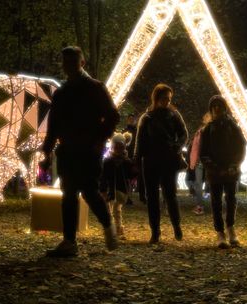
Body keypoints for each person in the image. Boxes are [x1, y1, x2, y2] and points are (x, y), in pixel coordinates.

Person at [40, 46, 120, 257]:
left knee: (89, 191)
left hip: (87, 150)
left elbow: (112, 115)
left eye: (71, 62)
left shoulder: (94, 88)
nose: (67, 67)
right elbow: (54, 125)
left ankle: (105, 224)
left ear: (81, 63)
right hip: (69, 150)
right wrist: (47, 151)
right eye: (65, 63)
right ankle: (69, 240)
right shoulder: (63, 93)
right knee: (69, 194)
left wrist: (99, 140)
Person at [134, 83, 188, 244]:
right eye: (165, 98)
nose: (167, 101)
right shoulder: (147, 117)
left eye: (169, 99)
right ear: (157, 98)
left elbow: (184, 134)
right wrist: (137, 160)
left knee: (170, 195)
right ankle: (155, 231)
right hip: (151, 161)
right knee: (152, 198)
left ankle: (176, 225)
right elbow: (140, 141)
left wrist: (177, 147)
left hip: (168, 160)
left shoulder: (173, 115)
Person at [200, 95, 245, 249]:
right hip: (215, 172)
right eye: (214, 106)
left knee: (231, 199)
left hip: (230, 170)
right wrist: (213, 167)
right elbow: (203, 152)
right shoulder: (207, 129)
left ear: (224, 108)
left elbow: (240, 147)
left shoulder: (232, 126)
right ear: (211, 109)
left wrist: (234, 165)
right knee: (216, 202)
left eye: (220, 106)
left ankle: (230, 228)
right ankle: (220, 232)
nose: (217, 108)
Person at [100, 132, 137, 240]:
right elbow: (103, 176)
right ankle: (113, 228)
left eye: (120, 147)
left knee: (116, 209)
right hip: (109, 189)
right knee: (110, 209)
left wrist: (135, 171)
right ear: (112, 147)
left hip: (121, 190)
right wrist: (103, 189)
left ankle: (118, 227)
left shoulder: (126, 162)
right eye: (116, 147)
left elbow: (131, 175)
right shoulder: (107, 161)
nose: (118, 149)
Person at [187, 113, 211, 215]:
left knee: (202, 183)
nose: (204, 118)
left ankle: (202, 206)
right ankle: (201, 206)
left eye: (206, 116)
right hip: (203, 160)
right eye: (204, 116)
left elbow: (196, 147)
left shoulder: (206, 131)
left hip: (206, 160)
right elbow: (195, 147)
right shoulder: (201, 131)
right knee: (199, 183)